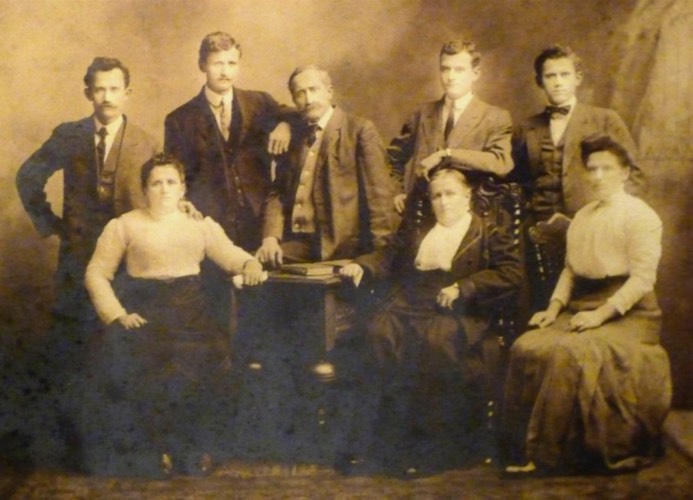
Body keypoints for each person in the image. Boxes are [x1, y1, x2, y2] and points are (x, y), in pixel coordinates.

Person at [83, 153, 266, 478]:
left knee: (212, 359)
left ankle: (196, 449)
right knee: (141, 365)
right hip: (145, 315)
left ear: (183, 189)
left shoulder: (200, 225)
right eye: (156, 183)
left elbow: (231, 255)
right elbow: (96, 273)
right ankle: (154, 451)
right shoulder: (124, 225)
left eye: (171, 182)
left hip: (191, 315)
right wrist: (118, 314)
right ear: (144, 190)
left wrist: (250, 263)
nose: (164, 189)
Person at [15, 56, 158, 468]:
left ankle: (125, 447)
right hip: (78, 262)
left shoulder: (146, 143)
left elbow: (163, 192)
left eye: (114, 89)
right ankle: (78, 449)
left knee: (123, 347)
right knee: (75, 349)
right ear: (87, 93)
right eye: (99, 89)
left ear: (127, 93)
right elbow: (28, 176)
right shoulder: (70, 135)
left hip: (128, 265)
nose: (107, 97)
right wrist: (51, 224)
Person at [336, 167, 522, 477]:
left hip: (458, 310)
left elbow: (511, 273)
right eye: (437, 196)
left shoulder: (488, 232)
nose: (443, 202)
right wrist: (362, 266)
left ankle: (433, 449)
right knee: (378, 332)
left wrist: (464, 287)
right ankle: (378, 445)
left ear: (467, 196)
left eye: (450, 194)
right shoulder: (420, 231)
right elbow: (387, 255)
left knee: (434, 343)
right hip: (410, 304)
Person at [502, 135, 671, 476]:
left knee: (570, 352)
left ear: (624, 172)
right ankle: (518, 449)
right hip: (582, 305)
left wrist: (600, 315)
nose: (597, 176)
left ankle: (549, 454)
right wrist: (553, 308)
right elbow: (570, 270)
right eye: (592, 169)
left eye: (606, 168)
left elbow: (642, 280)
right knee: (526, 346)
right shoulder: (582, 216)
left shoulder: (641, 216)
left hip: (632, 314)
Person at [164, 31, 291, 328]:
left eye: (232, 63)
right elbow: (174, 172)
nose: (225, 71)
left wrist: (284, 125)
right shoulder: (180, 119)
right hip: (211, 224)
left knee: (262, 306)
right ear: (202, 65)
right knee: (218, 309)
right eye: (217, 63)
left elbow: (294, 113)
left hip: (257, 220)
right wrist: (181, 202)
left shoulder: (259, 103)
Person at [510, 44, 644, 308]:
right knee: (543, 305)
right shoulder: (526, 128)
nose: (558, 82)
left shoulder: (605, 120)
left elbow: (634, 176)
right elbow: (516, 181)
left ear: (578, 78)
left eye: (565, 74)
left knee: (591, 306)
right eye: (550, 76)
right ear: (540, 81)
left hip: (593, 231)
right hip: (540, 235)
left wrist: (610, 220)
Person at [257, 65, 395, 266]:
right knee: (250, 264)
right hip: (299, 245)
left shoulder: (359, 130)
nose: (309, 99)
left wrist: (376, 257)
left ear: (329, 92)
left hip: (344, 246)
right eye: (300, 94)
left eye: (314, 89)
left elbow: (379, 197)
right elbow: (278, 192)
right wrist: (270, 238)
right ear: (294, 100)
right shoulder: (294, 135)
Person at [387, 39, 513, 215]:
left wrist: (447, 154)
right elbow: (391, 158)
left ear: (475, 74)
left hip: (470, 218)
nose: (451, 77)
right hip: (421, 215)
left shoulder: (494, 117)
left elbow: (501, 162)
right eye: (445, 69)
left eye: (459, 70)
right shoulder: (421, 114)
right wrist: (397, 192)